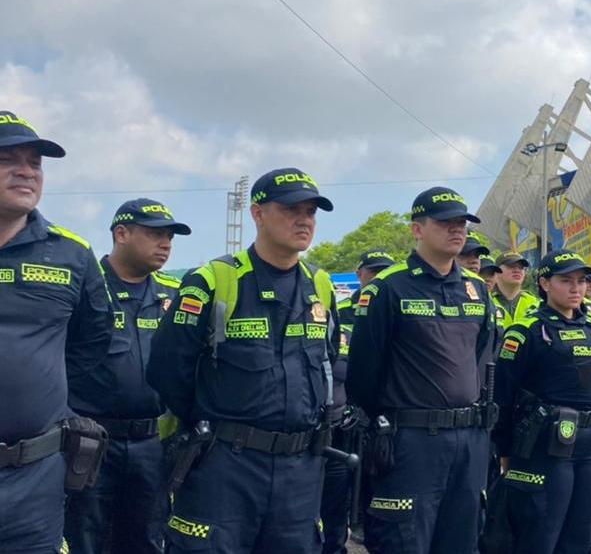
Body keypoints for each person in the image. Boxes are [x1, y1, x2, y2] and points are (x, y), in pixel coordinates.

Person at [149, 168, 341, 553]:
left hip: (300, 469)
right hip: (225, 464)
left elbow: (329, 359)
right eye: (291, 209)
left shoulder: (320, 285)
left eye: (310, 212)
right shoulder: (214, 280)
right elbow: (167, 369)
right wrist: (212, 421)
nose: (304, 220)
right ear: (257, 213)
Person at [345, 187, 498, 553]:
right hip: (411, 440)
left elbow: (481, 356)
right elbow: (363, 373)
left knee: (462, 542)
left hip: (468, 440)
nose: (457, 229)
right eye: (445, 222)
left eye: (461, 222)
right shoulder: (388, 287)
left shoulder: (477, 289)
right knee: (405, 541)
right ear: (417, 229)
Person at [0, 112, 113, 553]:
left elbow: (92, 341)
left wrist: (43, 390)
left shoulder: (72, 254)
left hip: (34, 476)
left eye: (35, 162)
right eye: (8, 159)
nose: (26, 171)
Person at [65, 199, 190, 554]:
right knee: (84, 537)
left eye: (170, 236)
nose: (165, 244)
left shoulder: (173, 293)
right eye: (155, 234)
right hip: (89, 440)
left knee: (146, 538)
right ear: (121, 234)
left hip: (150, 442)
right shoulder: (87, 287)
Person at [494, 249, 591, 554]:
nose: (576, 288)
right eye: (566, 280)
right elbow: (503, 395)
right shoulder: (527, 331)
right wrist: (504, 450)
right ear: (544, 284)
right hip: (546, 444)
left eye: (581, 281)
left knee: (580, 535)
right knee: (541, 534)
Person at [324, 249, 394, 554]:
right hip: (340, 416)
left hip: (376, 415)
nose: (378, 277)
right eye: (373, 270)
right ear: (359, 274)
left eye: (384, 271)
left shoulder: (391, 306)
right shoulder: (341, 311)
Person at [493, 252, 540, 328]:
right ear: (496, 271)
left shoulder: (534, 303)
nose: (517, 270)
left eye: (521, 267)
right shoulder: (486, 301)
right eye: (511, 266)